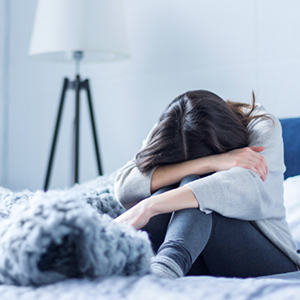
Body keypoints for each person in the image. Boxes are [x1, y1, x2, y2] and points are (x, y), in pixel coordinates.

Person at [114, 90, 300, 279]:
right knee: (176, 187)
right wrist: (210, 163)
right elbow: (124, 185)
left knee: (200, 190)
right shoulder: (172, 128)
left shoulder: (262, 125)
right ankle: (110, 253)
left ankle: (166, 267)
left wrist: (150, 205)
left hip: (271, 257)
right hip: (197, 252)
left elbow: (246, 188)